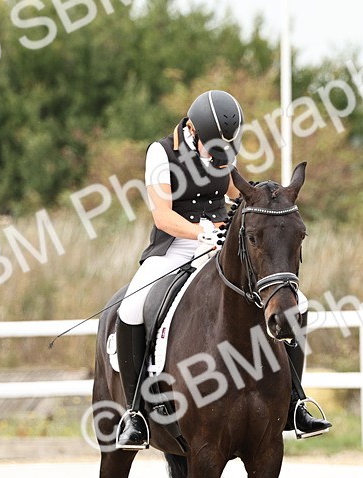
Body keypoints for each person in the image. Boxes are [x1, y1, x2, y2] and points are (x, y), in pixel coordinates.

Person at [114, 89, 331, 449]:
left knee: (300, 303)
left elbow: (235, 191)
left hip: (221, 244)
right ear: (194, 130)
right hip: (176, 245)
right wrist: (201, 231)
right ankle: (136, 414)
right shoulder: (161, 152)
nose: (219, 152)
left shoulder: (224, 149)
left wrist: (260, 207)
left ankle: (295, 401)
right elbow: (162, 214)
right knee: (131, 308)